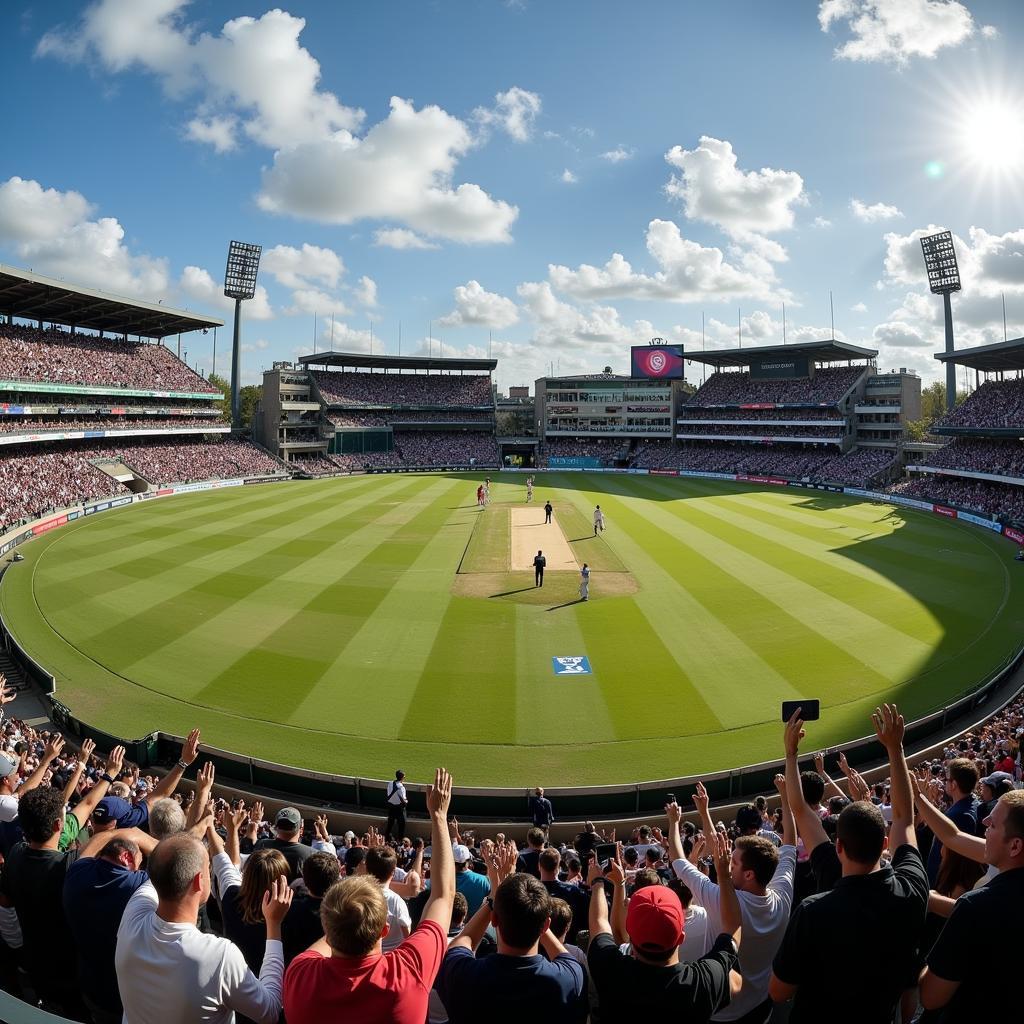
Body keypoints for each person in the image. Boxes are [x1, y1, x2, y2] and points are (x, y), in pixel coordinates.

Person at [769, 704, 928, 1022]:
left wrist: (790, 753)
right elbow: (904, 819)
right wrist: (895, 749)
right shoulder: (912, 887)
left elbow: (778, 992)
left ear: (838, 846)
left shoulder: (813, 910)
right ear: (885, 844)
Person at [283, 768, 456, 1024]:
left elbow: (333, 931)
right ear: (384, 930)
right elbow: (443, 896)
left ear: (326, 926)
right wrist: (439, 817)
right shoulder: (408, 972)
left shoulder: (299, 975)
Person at [116, 828, 292, 1024]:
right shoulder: (219, 956)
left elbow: (164, 867)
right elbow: (270, 1011)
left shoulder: (133, 914)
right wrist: (274, 924)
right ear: (199, 881)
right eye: (208, 868)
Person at [669, 773, 796, 1024]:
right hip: (762, 1002)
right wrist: (784, 796)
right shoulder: (783, 894)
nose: (727, 863)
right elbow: (790, 843)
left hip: (724, 1014)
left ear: (748, 874)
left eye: (733, 862)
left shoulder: (720, 901)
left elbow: (678, 860)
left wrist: (674, 822)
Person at [587, 835, 741, 1017]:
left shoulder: (609, 967)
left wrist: (598, 883)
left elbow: (599, 923)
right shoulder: (703, 982)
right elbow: (736, 978)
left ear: (631, 935)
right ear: (681, 936)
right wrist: (724, 876)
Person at [437, 841, 585, 1022]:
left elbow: (464, 939)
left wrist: (494, 897)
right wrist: (534, 916)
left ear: (494, 919)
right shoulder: (568, 978)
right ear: (546, 926)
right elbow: (565, 957)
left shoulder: (461, 975)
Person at [918, 790, 1024, 1019]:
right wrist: (917, 796)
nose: (984, 822)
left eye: (993, 824)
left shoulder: (975, 906)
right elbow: (952, 836)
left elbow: (930, 996)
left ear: (1015, 847)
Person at [253, 806, 313, 877]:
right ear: (301, 828)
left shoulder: (262, 845)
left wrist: (255, 822)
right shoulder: (311, 855)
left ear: (276, 827)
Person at [385, 770, 408, 842]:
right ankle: (400, 841)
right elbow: (404, 801)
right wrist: (406, 801)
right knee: (402, 825)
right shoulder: (401, 788)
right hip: (399, 809)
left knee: (390, 825)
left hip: (391, 808)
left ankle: (387, 839)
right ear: (402, 778)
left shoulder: (390, 783)